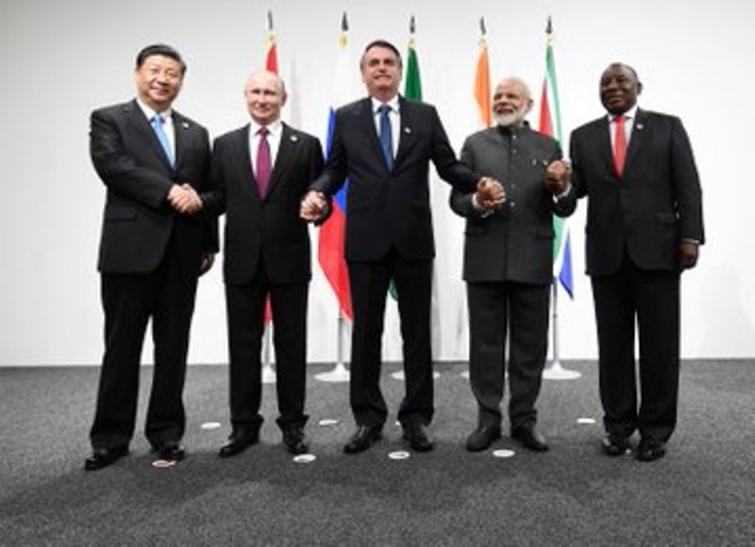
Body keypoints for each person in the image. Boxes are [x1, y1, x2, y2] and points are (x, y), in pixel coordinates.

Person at [300, 39, 502, 454]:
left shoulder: (424, 115)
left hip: (413, 240)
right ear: (363, 73)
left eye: (389, 62)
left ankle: (416, 418)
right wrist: (318, 192)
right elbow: (334, 170)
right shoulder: (348, 117)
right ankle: (367, 418)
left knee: (416, 333)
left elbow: (448, 166)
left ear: (398, 71)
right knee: (366, 334)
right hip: (365, 242)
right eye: (373, 63)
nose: (382, 68)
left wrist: (477, 182)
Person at [86, 44, 216, 470]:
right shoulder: (109, 119)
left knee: (173, 348)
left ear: (181, 80)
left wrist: (209, 243)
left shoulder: (196, 132)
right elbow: (113, 166)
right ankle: (110, 439)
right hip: (130, 253)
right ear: (137, 73)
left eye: (172, 73)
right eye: (155, 70)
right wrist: (168, 191)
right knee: (121, 347)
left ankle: (166, 434)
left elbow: (205, 190)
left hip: (182, 255)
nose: (162, 79)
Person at [569, 63, 704, 462]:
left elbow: (688, 186)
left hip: (659, 251)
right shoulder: (583, 136)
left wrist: (690, 236)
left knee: (660, 346)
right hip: (606, 253)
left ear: (638, 87)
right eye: (605, 83)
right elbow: (575, 192)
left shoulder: (667, 127)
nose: (612, 87)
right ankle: (618, 427)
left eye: (621, 81)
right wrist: (559, 187)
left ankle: (655, 432)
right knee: (613, 347)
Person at [203, 70, 323, 457]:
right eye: (255, 92)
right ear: (245, 96)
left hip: (289, 259)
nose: (262, 99)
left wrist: (318, 208)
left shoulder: (306, 145)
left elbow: (319, 198)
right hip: (242, 261)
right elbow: (216, 199)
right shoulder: (225, 145)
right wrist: (198, 212)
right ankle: (243, 426)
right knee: (242, 346)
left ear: (282, 99)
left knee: (291, 345)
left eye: (270, 93)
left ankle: (293, 425)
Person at [451, 77, 574, 453]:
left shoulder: (549, 146)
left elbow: (565, 207)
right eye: (498, 96)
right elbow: (457, 200)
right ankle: (488, 419)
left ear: (528, 105)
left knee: (530, 346)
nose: (503, 101)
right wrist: (478, 202)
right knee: (485, 345)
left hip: (533, 259)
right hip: (484, 259)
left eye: (511, 96)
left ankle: (524, 419)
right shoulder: (474, 144)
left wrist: (562, 188)